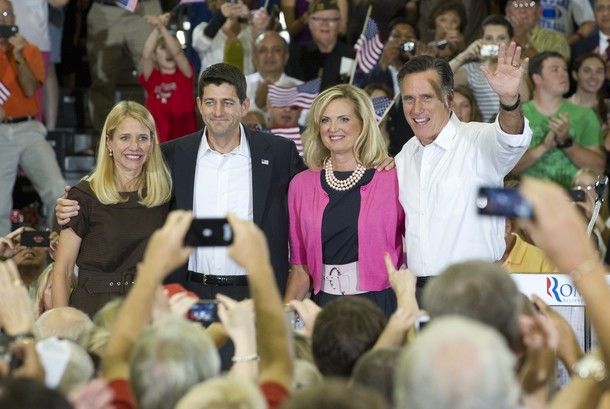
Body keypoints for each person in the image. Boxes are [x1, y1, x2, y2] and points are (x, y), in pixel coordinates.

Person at [161, 62, 305, 298]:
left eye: (227, 102)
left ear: (244, 105)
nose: (218, 112)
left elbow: (312, 198)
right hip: (190, 295)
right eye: (210, 102)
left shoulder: (280, 154)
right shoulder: (172, 155)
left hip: (257, 295)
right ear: (199, 104)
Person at [395, 43, 532, 279]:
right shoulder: (405, 155)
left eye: (426, 97)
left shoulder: (478, 140)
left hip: (475, 287)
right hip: (420, 291)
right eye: (409, 99)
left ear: (448, 99)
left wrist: (509, 100)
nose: (417, 109)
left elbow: (511, 137)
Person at [284, 84, 404, 314]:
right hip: (325, 308)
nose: (333, 128)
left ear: (363, 124)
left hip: (381, 307)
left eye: (343, 119)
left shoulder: (392, 179)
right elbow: (300, 270)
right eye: (325, 120)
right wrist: (282, 321)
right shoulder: (300, 185)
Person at [51, 101, 171, 317]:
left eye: (143, 138)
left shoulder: (164, 196)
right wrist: (62, 331)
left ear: (152, 143)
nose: (134, 146)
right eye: (125, 137)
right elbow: (63, 271)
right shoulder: (83, 195)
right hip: (93, 311)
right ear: (109, 142)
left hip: (146, 310)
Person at [0, 0, 65, 237]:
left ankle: (57, 248)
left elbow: (29, 89)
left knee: (58, 190)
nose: (2, 18)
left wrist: (19, 58)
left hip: (28, 128)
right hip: (0, 134)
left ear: (15, 18)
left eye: (6, 13)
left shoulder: (29, 50)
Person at [512, 51, 604, 188]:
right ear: (537, 78)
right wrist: (543, 147)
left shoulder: (585, 115)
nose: (563, 74)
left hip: (573, 200)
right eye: (555, 69)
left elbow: (598, 167)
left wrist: (567, 142)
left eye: (565, 69)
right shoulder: (518, 115)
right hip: (529, 198)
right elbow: (508, 169)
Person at [86, 0, 162, 136]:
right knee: (101, 80)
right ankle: (105, 143)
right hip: (105, 10)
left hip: (144, 7)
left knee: (157, 80)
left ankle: (159, 141)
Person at [450, 14, 531, 122]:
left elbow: (525, 99)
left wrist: (512, 66)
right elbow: (440, 81)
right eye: (488, 38)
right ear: (480, 41)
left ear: (511, 41)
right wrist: (464, 55)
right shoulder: (472, 69)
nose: (495, 43)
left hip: (510, 129)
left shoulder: (519, 68)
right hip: (480, 132)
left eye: (501, 38)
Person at [139, 13, 197, 143]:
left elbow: (177, 52)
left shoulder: (184, 75)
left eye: (170, 47)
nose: (169, 52)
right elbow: (146, 55)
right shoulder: (153, 78)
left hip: (185, 142)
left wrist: (162, 28)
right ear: (155, 55)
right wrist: (157, 28)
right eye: (163, 48)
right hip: (158, 143)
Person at [505, 0, 570, 60]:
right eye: (516, 6)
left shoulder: (556, 39)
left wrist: (524, 43)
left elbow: (555, 69)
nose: (522, 11)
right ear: (508, 12)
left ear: (539, 11)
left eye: (529, 6)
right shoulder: (498, 35)